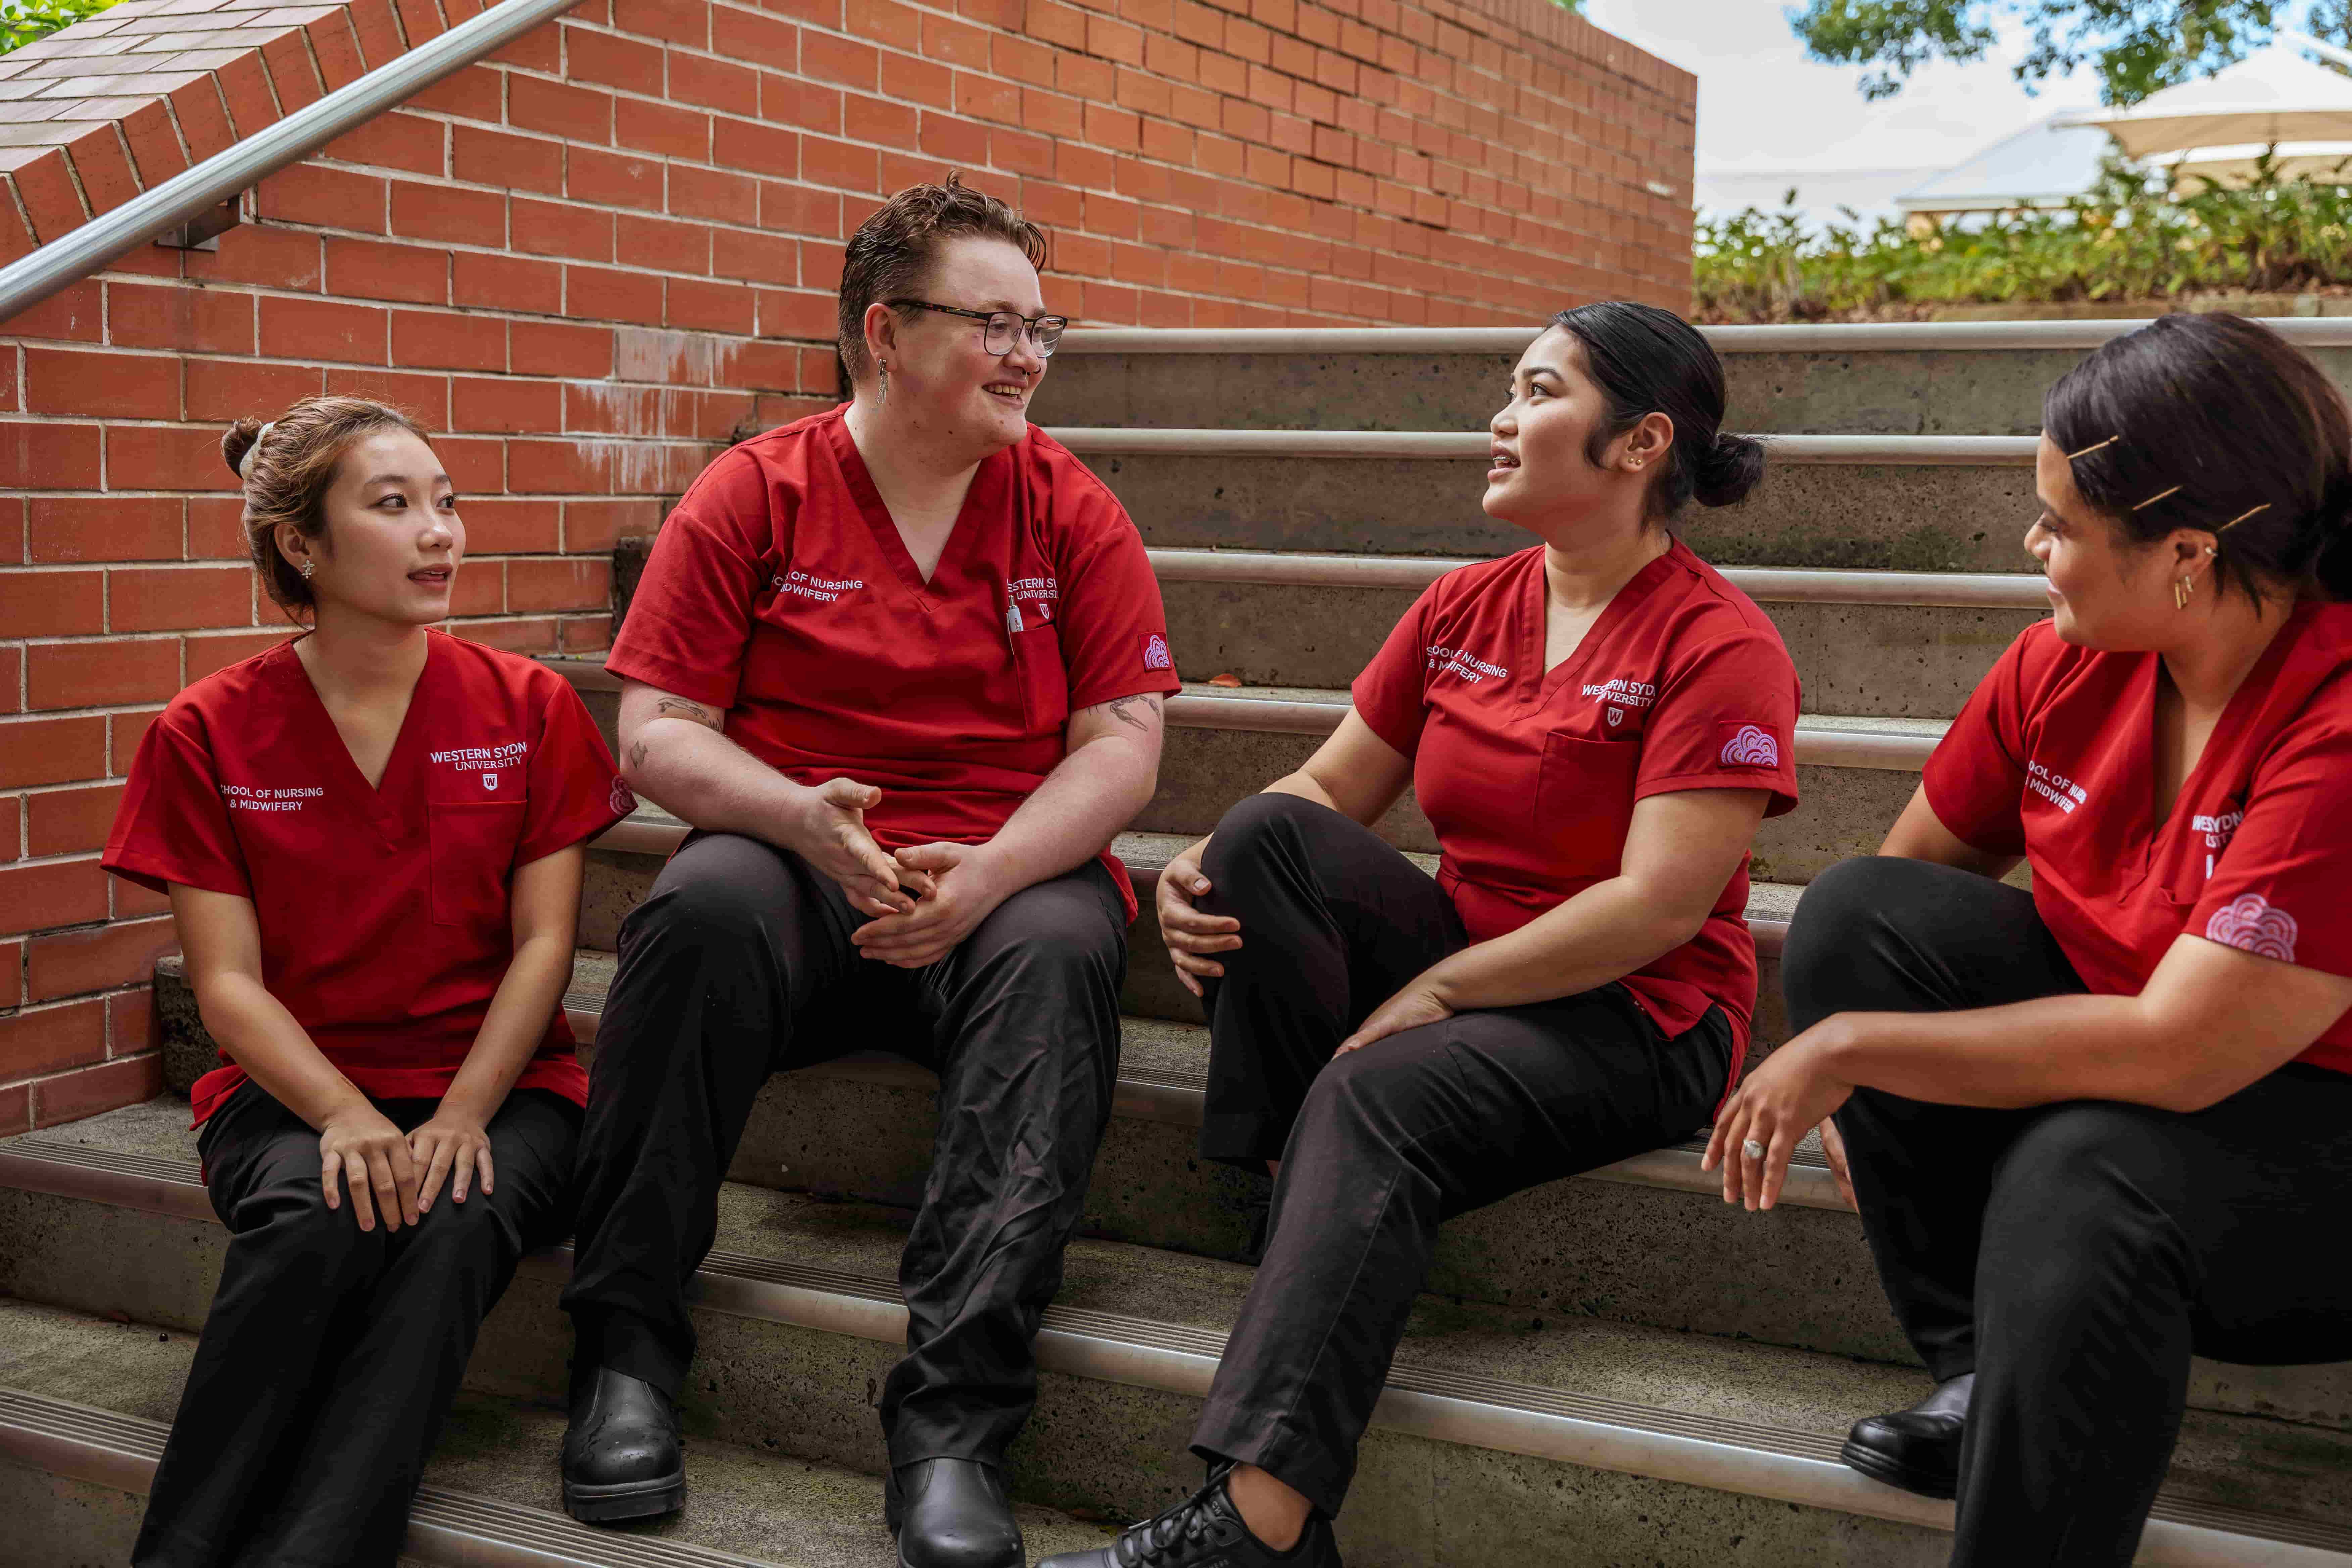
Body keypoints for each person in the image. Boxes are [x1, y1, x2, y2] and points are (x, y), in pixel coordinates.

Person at [1040, 301, 1798, 1568]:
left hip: (1638, 1012)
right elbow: (1329, 793)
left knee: (1379, 1096)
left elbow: (1659, 904)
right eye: (1508, 389)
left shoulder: (1719, 643)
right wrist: (1200, 869)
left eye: (1540, 393)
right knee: (1262, 838)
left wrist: (1443, 992)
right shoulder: (1462, 605)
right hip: (1472, 955)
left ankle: (1259, 1531)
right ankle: (1294, 1192)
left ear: (1640, 442)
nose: (1500, 421)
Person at [556, 175, 1179, 1567]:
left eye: (1043, 325)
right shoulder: (755, 491)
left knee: (1068, 945)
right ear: (884, 335)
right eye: (993, 323)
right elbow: (654, 732)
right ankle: (625, 1355)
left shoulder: (1070, 507)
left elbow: (1125, 745)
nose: (1027, 354)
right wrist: (798, 820)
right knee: (695, 911)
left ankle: (954, 1427)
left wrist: (997, 868)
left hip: (998, 872)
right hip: (799, 867)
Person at [1708, 312, 2352, 1566]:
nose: (2032, 546)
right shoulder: (2067, 667)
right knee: (1854, 917)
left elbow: (2183, 1052)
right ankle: (1978, 1374)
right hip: (2163, 1061)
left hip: (2321, 1140)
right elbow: (1902, 894)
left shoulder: (2336, 729)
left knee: (2084, 1169)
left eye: (2059, 524)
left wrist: (1850, 1051)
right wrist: (1869, 1038)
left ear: (2184, 554)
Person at [103, 397, 630, 1568]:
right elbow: (225, 982)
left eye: (446, 503)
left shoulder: (529, 708)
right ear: (302, 546)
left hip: (501, 1087)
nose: (439, 533)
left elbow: (547, 947)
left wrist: (462, 1114)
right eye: (394, 507)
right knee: (314, 1216)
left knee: (451, 1214)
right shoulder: (206, 731)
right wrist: (342, 1112)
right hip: (291, 1091)